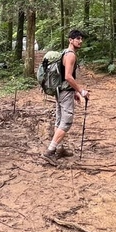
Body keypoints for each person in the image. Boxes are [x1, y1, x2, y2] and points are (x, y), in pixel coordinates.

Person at [44, 29, 89, 160]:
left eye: (81, 39)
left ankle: (60, 149)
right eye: (78, 39)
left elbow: (66, 77)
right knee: (66, 122)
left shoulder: (64, 52)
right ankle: (50, 150)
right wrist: (81, 91)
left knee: (59, 120)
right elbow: (68, 77)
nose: (80, 41)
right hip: (65, 93)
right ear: (70, 40)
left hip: (60, 91)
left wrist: (75, 91)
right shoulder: (71, 55)